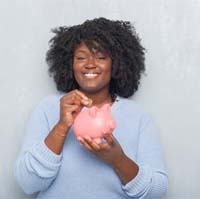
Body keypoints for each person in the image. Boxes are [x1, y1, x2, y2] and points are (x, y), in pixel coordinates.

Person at [14, 17, 168, 199]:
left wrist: (117, 160)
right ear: (70, 64)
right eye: (81, 57)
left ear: (117, 63)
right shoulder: (48, 109)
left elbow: (156, 192)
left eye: (101, 57)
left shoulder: (138, 116)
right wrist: (62, 126)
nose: (90, 64)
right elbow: (27, 183)